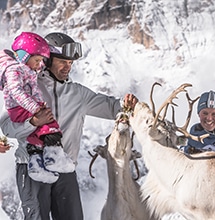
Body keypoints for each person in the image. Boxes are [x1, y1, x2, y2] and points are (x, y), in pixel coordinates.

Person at [0, 32, 138, 220]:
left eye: (71, 63)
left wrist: (129, 106)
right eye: (63, 61)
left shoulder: (78, 94)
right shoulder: (28, 86)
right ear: (47, 60)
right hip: (32, 168)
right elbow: (7, 128)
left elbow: (111, 107)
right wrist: (33, 123)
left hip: (65, 169)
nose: (68, 67)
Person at [0, 32, 74, 184]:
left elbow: (34, 90)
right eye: (37, 59)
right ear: (24, 56)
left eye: (42, 60)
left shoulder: (28, 71)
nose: (40, 64)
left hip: (27, 108)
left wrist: (40, 104)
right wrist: (35, 109)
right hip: (20, 109)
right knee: (49, 126)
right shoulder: (14, 70)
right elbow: (17, 92)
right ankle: (54, 156)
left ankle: (37, 165)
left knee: (37, 135)